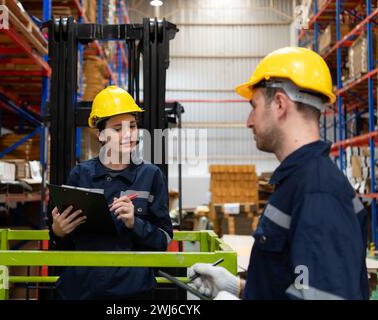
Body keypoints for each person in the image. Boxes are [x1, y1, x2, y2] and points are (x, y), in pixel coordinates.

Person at [189, 47, 369, 300]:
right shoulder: (298, 183)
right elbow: (294, 283)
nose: (249, 121)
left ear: (280, 104)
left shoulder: (317, 192)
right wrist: (238, 288)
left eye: (254, 106)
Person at [50, 86, 173, 300]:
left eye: (132, 126)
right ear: (100, 134)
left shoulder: (150, 176)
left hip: (132, 293)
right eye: (117, 129)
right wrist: (58, 231)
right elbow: (65, 244)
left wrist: (136, 223)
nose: (128, 135)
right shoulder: (80, 176)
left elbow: (163, 240)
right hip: (81, 291)